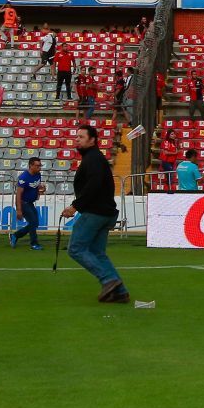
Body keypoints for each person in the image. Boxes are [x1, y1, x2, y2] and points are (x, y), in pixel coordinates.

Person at [62, 125, 128, 304]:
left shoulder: (93, 159)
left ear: (92, 140)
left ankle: (108, 280)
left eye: (81, 137)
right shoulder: (94, 158)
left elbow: (94, 185)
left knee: (75, 249)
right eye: (77, 137)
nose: (77, 139)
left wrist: (75, 206)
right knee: (97, 252)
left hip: (95, 212)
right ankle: (120, 292)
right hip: (105, 212)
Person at [10, 158, 45, 249]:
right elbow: (18, 194)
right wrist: (19, 210)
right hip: (23, 203)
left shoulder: (38, 174)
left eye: (40, 165)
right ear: (31, 165)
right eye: (37, 166)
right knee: (33, 222)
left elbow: (37, 186)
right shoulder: (23, 177)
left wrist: (41, 190)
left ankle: (15, 235)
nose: (39, 168)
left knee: (35, 223)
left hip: (30, 203)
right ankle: (34, 244)